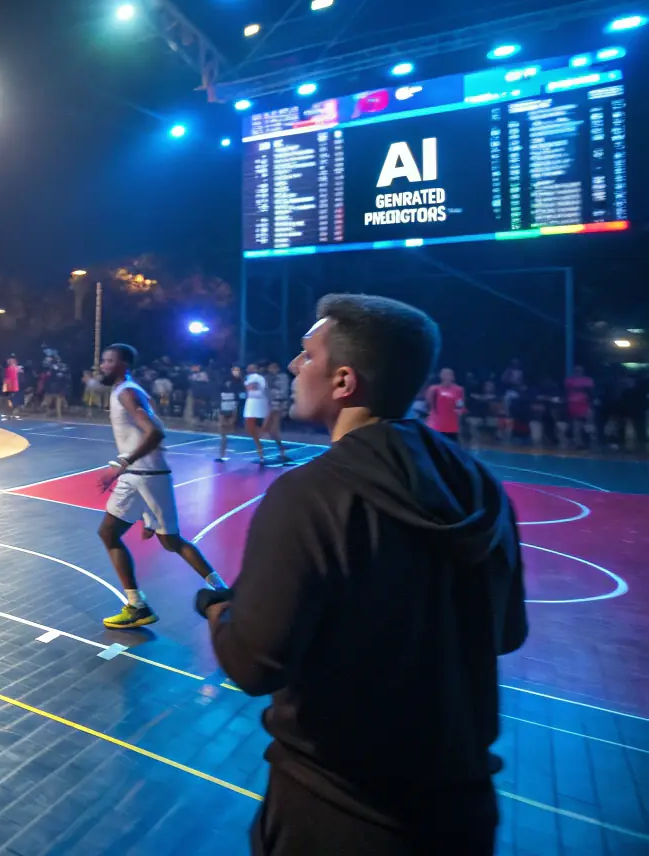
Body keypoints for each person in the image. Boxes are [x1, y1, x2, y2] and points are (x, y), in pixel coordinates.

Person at [195, 294, 527, 855]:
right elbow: (506, 632)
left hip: (336, 810)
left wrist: (219, 609)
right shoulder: (480, 487)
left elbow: (254, 664)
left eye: (306, 355)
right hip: (463, 811)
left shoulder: (310, 495)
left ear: (344, 381)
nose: (296, 367)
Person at [94, 344, 227, 629]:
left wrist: (120, 464)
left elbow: (155, 432)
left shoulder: (127, 392)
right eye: (103, 360)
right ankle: (141, 603)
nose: (102, 365)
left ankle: (142, 605)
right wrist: (146, 515)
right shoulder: (131, 391)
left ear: (123, 364)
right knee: (137, 537)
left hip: (144, 473)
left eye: (108, 361)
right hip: (144, 475)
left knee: (156, 540)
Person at [242, 363, 274, 464]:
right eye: (249, 367)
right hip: (251, 403)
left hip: (259, 403)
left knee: (258, 426)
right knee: (250, 427)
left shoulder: (259, 378)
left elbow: (264, 390)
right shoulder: (247, 378)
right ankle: (259, 446)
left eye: (252, 367)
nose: (250, 369)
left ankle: (261, 447)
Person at [426, 367, 466, 443]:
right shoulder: (433, 389)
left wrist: (459, 416)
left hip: (451, 425)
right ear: (441, 376)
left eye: (449, 374)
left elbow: (460, 405)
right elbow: (429, 403)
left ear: (453, 377)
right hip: (436, 424)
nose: (447, 377)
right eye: (445, 374)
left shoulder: (459, 389)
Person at [263, 360, 292, 463]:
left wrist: (273, 391)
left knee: (274, 429)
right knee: (270, 430)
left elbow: (283, 392)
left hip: (279, 405)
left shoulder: (283, 377)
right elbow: (266, 392)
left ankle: (282, 452)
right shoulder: (267, 378)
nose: (271, 370)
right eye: (270, 368)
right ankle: (281, 450)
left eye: (273, 368)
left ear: (277, 368)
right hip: (271, 405)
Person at [215, 366, 243, 461]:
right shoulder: (223, 381)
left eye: (237, 371)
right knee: (222, 429)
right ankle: (221, 454)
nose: (236, 372)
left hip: (233, 406)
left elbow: (241, 396)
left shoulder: (240, 382)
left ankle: (223, 452)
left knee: (229, 427)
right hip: (224, 406)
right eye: (234, 370)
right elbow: (219, 393)